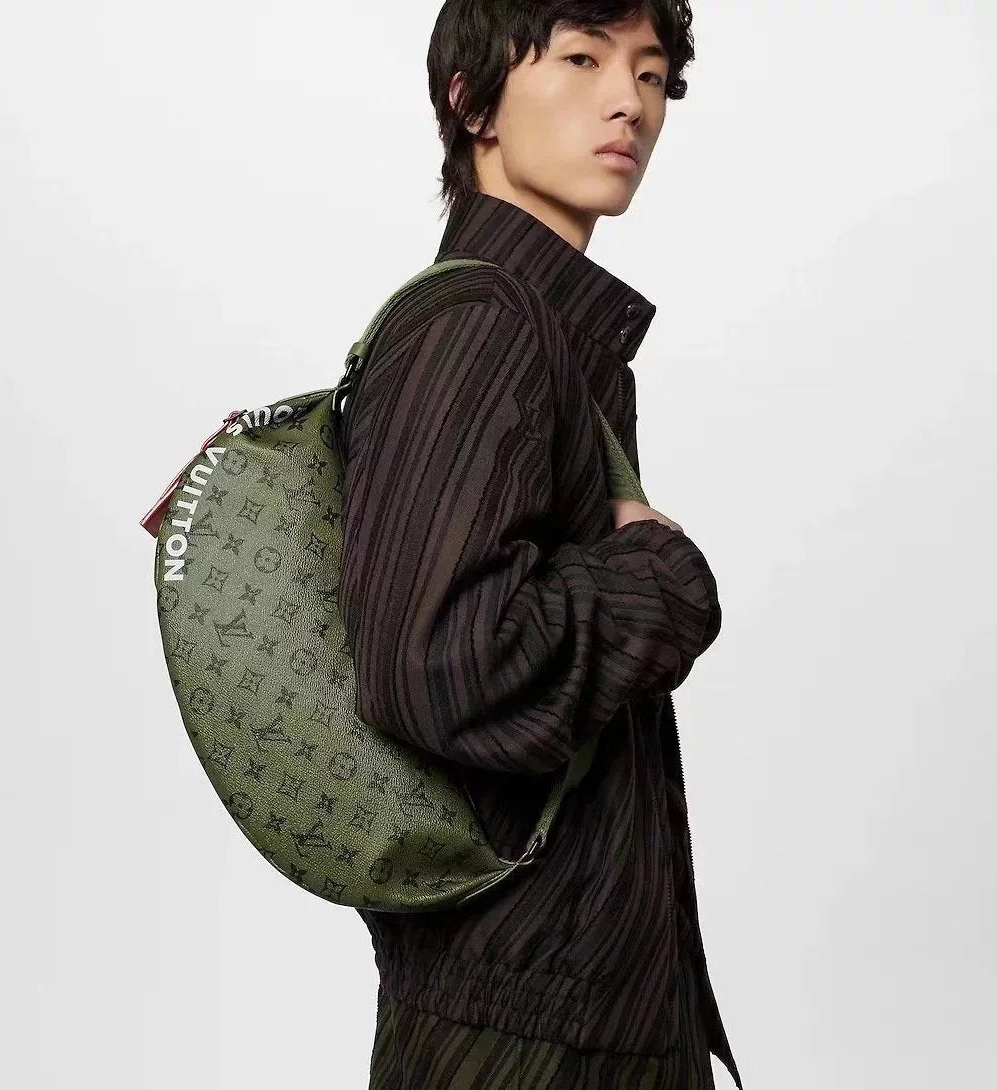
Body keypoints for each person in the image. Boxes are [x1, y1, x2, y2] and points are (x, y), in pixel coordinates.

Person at [337, 2, 743, 1087]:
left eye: (650, 74)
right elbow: (442, 666)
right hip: (525, 1026)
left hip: (570, 993)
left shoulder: (546, 330)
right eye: (580, 59)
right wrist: (661, 580)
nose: (628, 104)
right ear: (473, 103)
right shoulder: (483, 327)